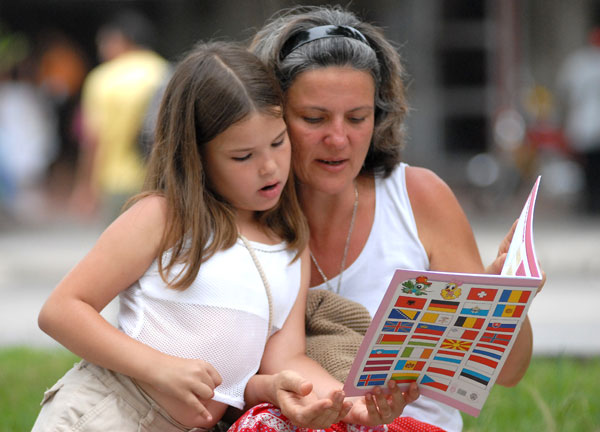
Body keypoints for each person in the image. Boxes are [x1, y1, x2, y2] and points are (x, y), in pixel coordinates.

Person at [32, 41, 381, 432]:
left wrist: (350, 402)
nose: (269, 167)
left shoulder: (289, 247)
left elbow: (285, 360)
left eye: (278, 142)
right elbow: (61, 311)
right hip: (111, 411)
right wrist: (159, 368)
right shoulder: (165, 216)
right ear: (196, 156)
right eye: (243, 156)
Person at [235, 5, 544, 432]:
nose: (338, 138)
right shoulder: (247, 215)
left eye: (357, 118)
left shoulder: (418, 197)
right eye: (314, 118)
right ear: (273, 116)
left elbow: (507, 373)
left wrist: (508, 302)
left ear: (379, 117)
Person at [69, 9, 170, 221]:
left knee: (118, 246)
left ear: (122, 40)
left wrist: (86, 186)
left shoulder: (104, 79)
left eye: (104, 42)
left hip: (117, 182)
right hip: (160, 177)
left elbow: (93, 139)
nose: (101, 49)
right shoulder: (165, 72)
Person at [556, 26, 600, 214]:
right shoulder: (579, 62)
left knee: (590, 168)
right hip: (585, 123)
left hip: (586, 122)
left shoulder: (577, 62)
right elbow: (564, 91)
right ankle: (590, 202)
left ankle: (591, 202)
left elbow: (564, 91)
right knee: (587, 169)